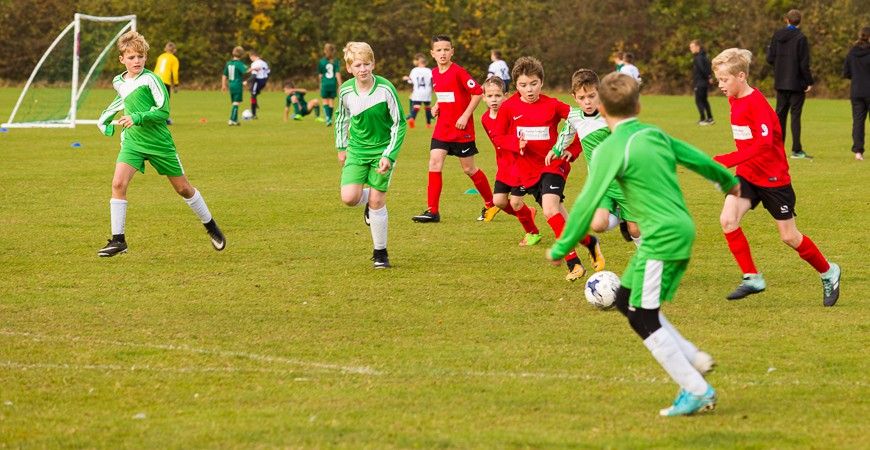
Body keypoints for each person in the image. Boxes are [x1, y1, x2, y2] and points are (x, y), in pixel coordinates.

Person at [548, 72, 738, 417]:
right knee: (625, 299)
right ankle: (693, 358)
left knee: (642, 317)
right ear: (639, 105)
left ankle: (697, 389)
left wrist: (561, 248)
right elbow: (696, 158)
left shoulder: (609, 148)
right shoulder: (654, 133)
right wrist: (727, 181)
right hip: (679, 227)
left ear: (602, 108)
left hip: (662, 236)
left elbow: (587, 203)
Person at [711, 48, 840, 306]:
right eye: (718, 80)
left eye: (724, 80)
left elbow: (763, 145)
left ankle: (829, 272)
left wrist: (725, 160)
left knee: (789, 236)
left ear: (741, 76)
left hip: (773, 180)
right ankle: (752, 277)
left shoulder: (757, 104)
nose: (720, 85)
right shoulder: (734, 97)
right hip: (747, 175)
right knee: (728, 219)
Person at [96, 31, 225, 257]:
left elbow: (163, 111)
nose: (136, 61)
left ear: (146, 58)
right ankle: (119, 240)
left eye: (140, 56)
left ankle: (210, 225)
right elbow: (122, 99)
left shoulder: (152, 79)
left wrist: (137, 117)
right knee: (118, 184)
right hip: (133, 141)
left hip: (159, 144)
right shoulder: (118, 81)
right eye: (131, 57)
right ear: (122, 59)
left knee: (183, 189)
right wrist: (104, 117)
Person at [491, 56, 603, 281]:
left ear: (541, 82)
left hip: (554, 165)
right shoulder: (509, 107)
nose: (529, 89)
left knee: (550, 209)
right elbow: (498, 136)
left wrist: (574, 148)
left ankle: (574, 264)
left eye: (533, 83)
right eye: (523, 85)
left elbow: (581, 120)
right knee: (561, 218)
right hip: (528, 172)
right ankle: (589, 242)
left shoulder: (552, 104)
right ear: (516, 86)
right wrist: (515, 144)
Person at [334, 42, 407, 269]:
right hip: (356, 150)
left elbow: (399, 123)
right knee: (349, 198)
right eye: (358, 65)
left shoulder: (386, 89)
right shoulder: (345, 90)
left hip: (382, 151)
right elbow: (341, 118)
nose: (363, 69)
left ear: (373, 64)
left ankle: (380, 253)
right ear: (349, 68)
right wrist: (341, 146)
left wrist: (389, 155)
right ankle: (368, 200)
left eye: (367, 64)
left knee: (378, 200)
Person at [411, 35, 497, 223]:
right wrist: (437, 105)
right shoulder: (433, 73)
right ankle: (432, 211)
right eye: (439, 50)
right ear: (432, 53)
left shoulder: (458, 72)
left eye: (446, 49)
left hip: (461, 129)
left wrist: (465, 116)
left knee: (469, 168)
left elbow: (477, 92)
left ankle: (491, 204)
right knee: (434, 163)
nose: (443, 53)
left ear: (452, 51)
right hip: (443, 128)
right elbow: (445, 95)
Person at [549, 68, 641, 246]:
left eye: (592, 96)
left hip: (624, 181)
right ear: (574, 97)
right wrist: (557, 149)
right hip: (600, 182)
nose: (587, 102)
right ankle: (620, 215)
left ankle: (647, 260)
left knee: (635, 229)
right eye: (582, 98)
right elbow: (567, 132)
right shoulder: (575, 116)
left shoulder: (611, 114)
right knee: (598, 225)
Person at [479, 76, 541, 246]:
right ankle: (528, 213)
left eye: (498, 96)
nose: (494, 100)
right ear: (483, 97)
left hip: (520, 165)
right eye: (490, 96)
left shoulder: (513, 113)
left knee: (515, 201)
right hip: (504, 167)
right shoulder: (484, 119)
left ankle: (532, 233)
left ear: (505, 96)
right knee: (498, 201)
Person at [767, 9, 814, 159]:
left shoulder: (777, 36)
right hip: (797, 83)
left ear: (786, 20)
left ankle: (777, 150)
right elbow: (804, 63)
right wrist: (809, 81)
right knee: (795, 117)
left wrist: (780, 67)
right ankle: (796, 150)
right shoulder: (801, 38)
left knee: (779, 117)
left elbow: (770, 58)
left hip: (781, 82)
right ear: (800, 21)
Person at [843, 26, 870, 161]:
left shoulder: (851, 53)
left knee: (858, 122)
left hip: (856, 91)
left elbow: (846, 73)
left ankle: (858, 151)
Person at [401, 53, 433, 129]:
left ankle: (412, 119)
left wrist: (406, 78)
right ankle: (428, 124)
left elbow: (411, 81)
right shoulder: (429, 70)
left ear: (418, 61)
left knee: (416, 107)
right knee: (428, 107)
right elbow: (432, 80)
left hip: (418, 91)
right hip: (427, 91)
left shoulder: (414, 70)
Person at [152, 41, 179, 125]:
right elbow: (175, 73)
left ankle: (153, 117)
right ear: (174, 50)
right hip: (164, 81)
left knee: (155, 99)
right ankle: (165, 119)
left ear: (165, 49)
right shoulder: (174, 59)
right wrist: (176, 84)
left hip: (154, 79)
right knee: (165, 101)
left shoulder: (160, 56)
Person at [689, 39, 714, 126]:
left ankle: (703, 119)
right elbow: (708, 67)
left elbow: (702, 69)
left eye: (692, 47)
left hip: (700, 83)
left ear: (697, 47)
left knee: (698, 101)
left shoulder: (698, 58)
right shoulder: (704, 56)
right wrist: (709, 77)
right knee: (704, 100)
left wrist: (707, 76)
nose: (691, 49)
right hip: (704, 82)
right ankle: (710, 118)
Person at [221, 46, 247, 126]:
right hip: (237, 84)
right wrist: (254, 68)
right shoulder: (239, 64)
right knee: (236, 103)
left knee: (234, 103)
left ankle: (235, 120)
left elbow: (224, 75)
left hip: (231, 85)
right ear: (242, 55)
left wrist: (223, 85)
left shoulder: (228, 63)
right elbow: (246, 71)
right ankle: (231, 120)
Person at [319, 43, 343, 126]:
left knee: (325, 101)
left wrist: (320, 84)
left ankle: (328, 118)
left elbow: (320, 75)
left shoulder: (321, 62)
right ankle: (330, 118)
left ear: (325, 51)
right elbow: (337, 74)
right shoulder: (336, 61)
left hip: (325, 83)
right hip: (332, 84)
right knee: (331, 101)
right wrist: (340, 85)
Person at [247, 50, 270, 119]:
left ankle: (253, 115)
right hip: (263, 81)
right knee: (252, 92)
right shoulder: (264, 63)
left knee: (253, 95)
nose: (250, 59)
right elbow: (268, 72)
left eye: (250, 58)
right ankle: (255, 103)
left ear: (253, 56)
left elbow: (254, 75)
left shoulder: (254, 64)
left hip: (257, 81)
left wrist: (247, 81)